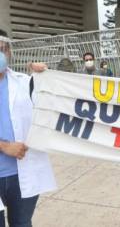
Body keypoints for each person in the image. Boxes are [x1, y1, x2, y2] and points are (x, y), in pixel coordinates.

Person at [0, 29, 56, 226]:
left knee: (22, 223)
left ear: (9, 53)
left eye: (2, 49)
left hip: (22, 173)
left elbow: (54, 106)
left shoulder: (25, 83)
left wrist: (44, 77)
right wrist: (4, 146)